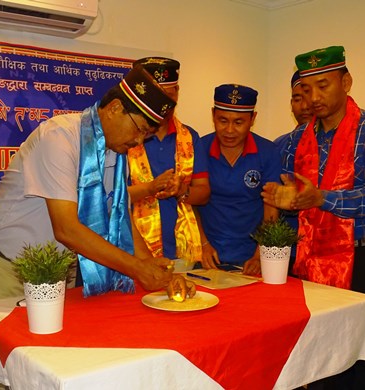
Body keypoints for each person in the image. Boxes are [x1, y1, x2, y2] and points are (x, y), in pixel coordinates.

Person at [0, 65, 195, 303]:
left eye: (146, 136)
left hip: (56, 273)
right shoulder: (60, 137)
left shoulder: (116, 152)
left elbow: (120, 216)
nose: (138, 141)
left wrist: (154, 269)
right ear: (115, 108)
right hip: (6, 268)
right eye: (139, 130)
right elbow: (67, 229)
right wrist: (138, 269)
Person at [262, 46, 365, 389]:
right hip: (310, 256)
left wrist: (320, 198)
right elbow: (289, 197)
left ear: (347, 82)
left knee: (363, 353)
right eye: (306, 89)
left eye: (324, 85)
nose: (314, 97)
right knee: (318, 352)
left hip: (364, 254)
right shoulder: (296, 140)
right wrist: (286, 201)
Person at [127, 57, 210, 267]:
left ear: (178, 92)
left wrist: (181, 190)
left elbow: (203, 192)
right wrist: (149, 188)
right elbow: (112, 197)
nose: (161, 105)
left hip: (182, 249)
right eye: (155, 97)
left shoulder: (190, 138)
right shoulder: (125, 138)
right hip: (134, 250)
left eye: (168, 96)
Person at [196, 84, 280, 275]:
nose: (229, 130)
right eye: (223, 121)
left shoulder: (268, 152)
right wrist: (202, 244)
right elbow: (190, 202)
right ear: (213, 115)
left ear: (253, 119)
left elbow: (271, 206)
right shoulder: (199, 147)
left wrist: (261, 254)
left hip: (250, 258)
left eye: (239, 122)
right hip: (207, 255)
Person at [272, 70, 313, 274]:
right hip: (284, 250)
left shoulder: (341, 148)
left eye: (309, 98)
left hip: (323, 253)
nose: (304, 106)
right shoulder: (277, 146)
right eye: (297, 99)